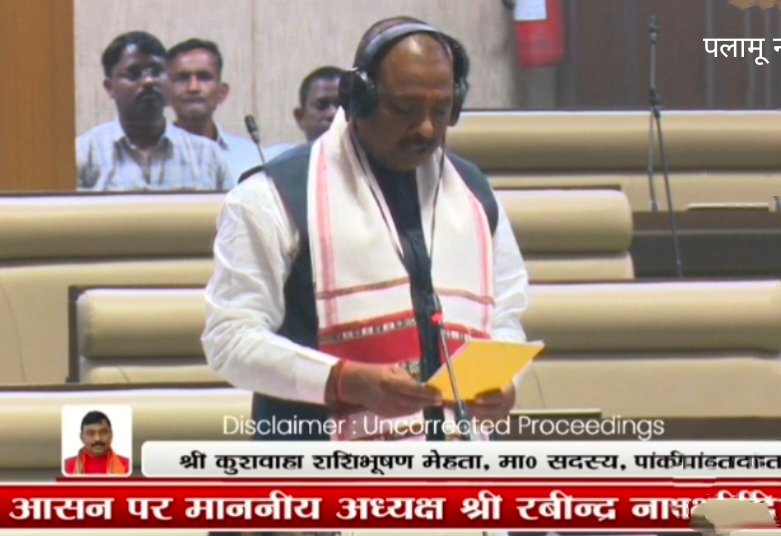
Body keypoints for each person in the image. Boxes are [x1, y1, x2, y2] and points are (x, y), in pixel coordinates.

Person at [202, 17, 528, 442]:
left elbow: (506, 316)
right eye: (405, 109)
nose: (427, 128)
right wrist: (343, 380)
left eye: (441, 110)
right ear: (358, 99)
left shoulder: (474, 194)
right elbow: (229, 340)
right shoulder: (272, 196)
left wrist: (504, 384)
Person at [77, 31, 231, 191]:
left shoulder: (207, 156)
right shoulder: (84, 153)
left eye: (157, 72)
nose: (149, 81)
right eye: (133, 74)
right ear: (110, 87)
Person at [167, 38, 267, 185]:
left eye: (204, 77)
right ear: (165, 92)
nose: (193, 87)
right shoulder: (151, 157)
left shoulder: (252, 156)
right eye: (182, 78)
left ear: (222, 93)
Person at [63, 410, 131, 475]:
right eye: (90, 433)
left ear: (111, 434)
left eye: (103, 432)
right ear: (81, 437)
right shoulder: (66, 467)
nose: (97, 439)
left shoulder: (128, 466)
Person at [294, 66, 344, 142]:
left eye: (342, 105)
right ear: (300, 117)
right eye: (321, 106)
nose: (333, 113)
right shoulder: (284, 150)